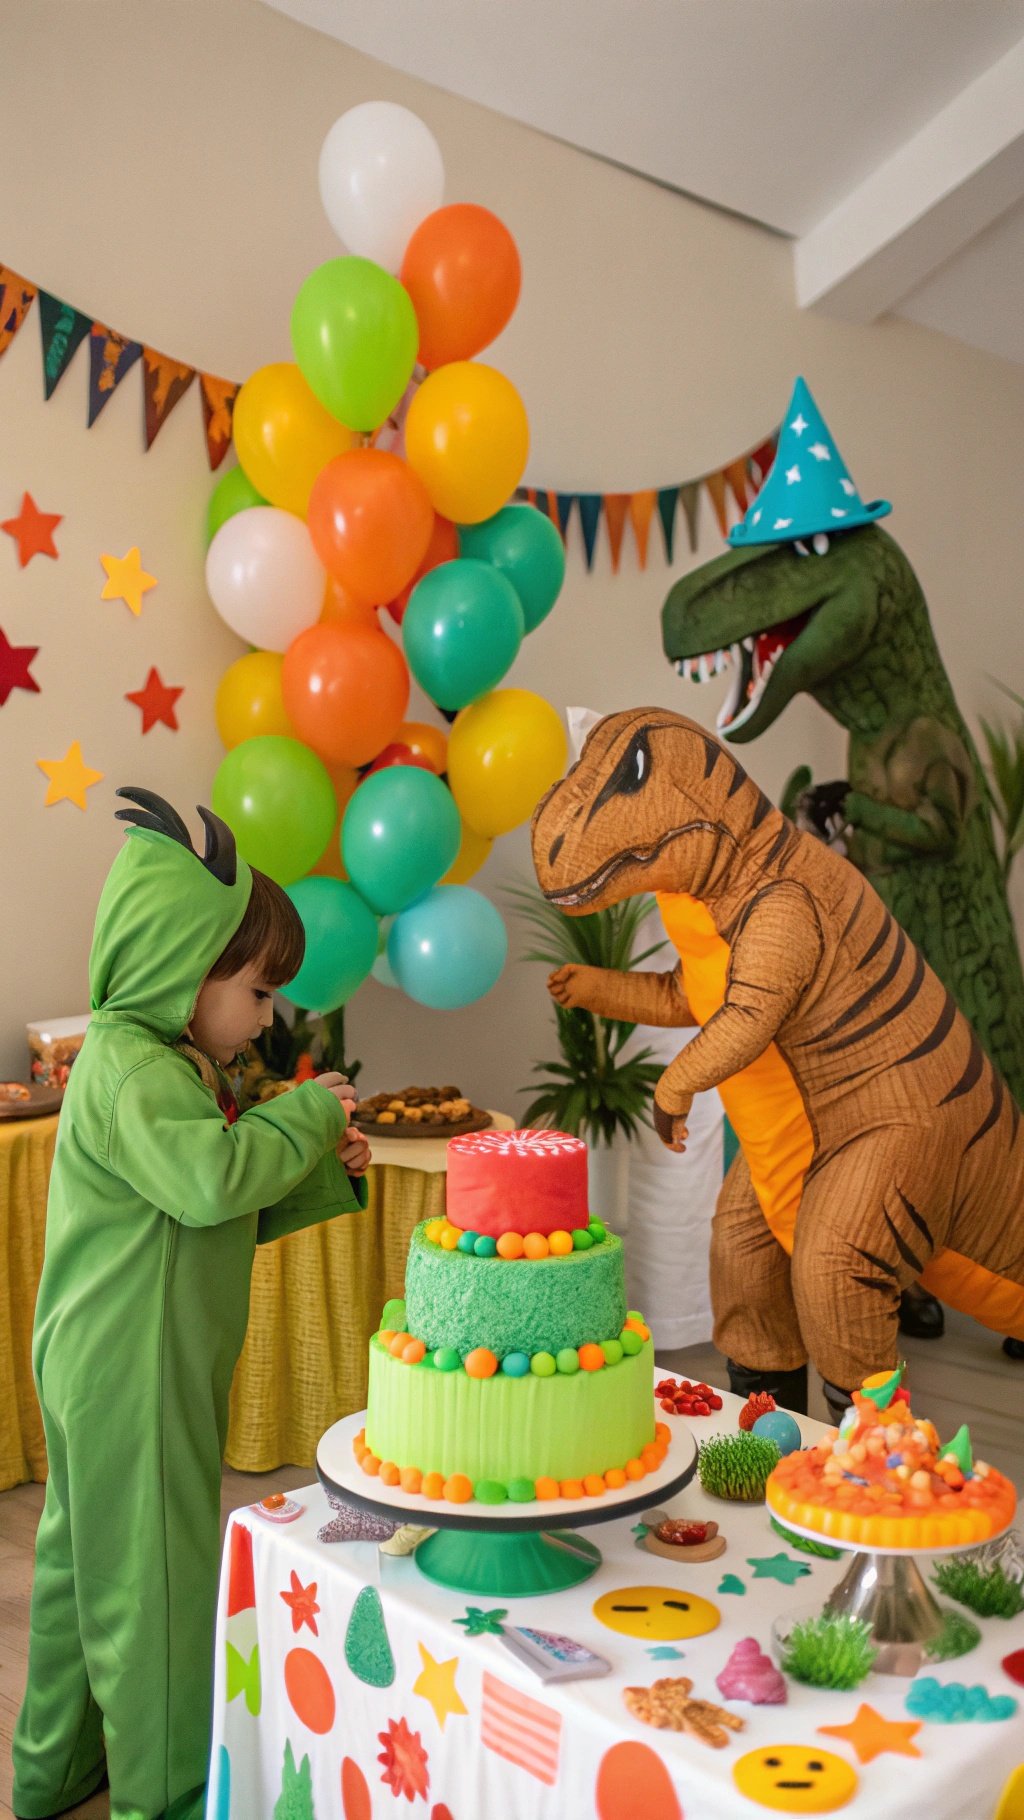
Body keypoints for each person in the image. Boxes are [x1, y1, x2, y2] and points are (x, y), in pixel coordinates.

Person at [13, 789, 370, 1820]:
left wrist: (313, 1165)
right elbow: (211, 1182)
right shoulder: (136, 1071)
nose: (266, 1017)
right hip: (136, 1367)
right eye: (258, 993)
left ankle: (56, 1767)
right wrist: (305, 1110)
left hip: (109, 1356)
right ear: (184, 967)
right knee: (158, 1584)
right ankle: (166, 1796)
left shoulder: (151, 1067)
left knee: (90, 1572)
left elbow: (201, 1212)